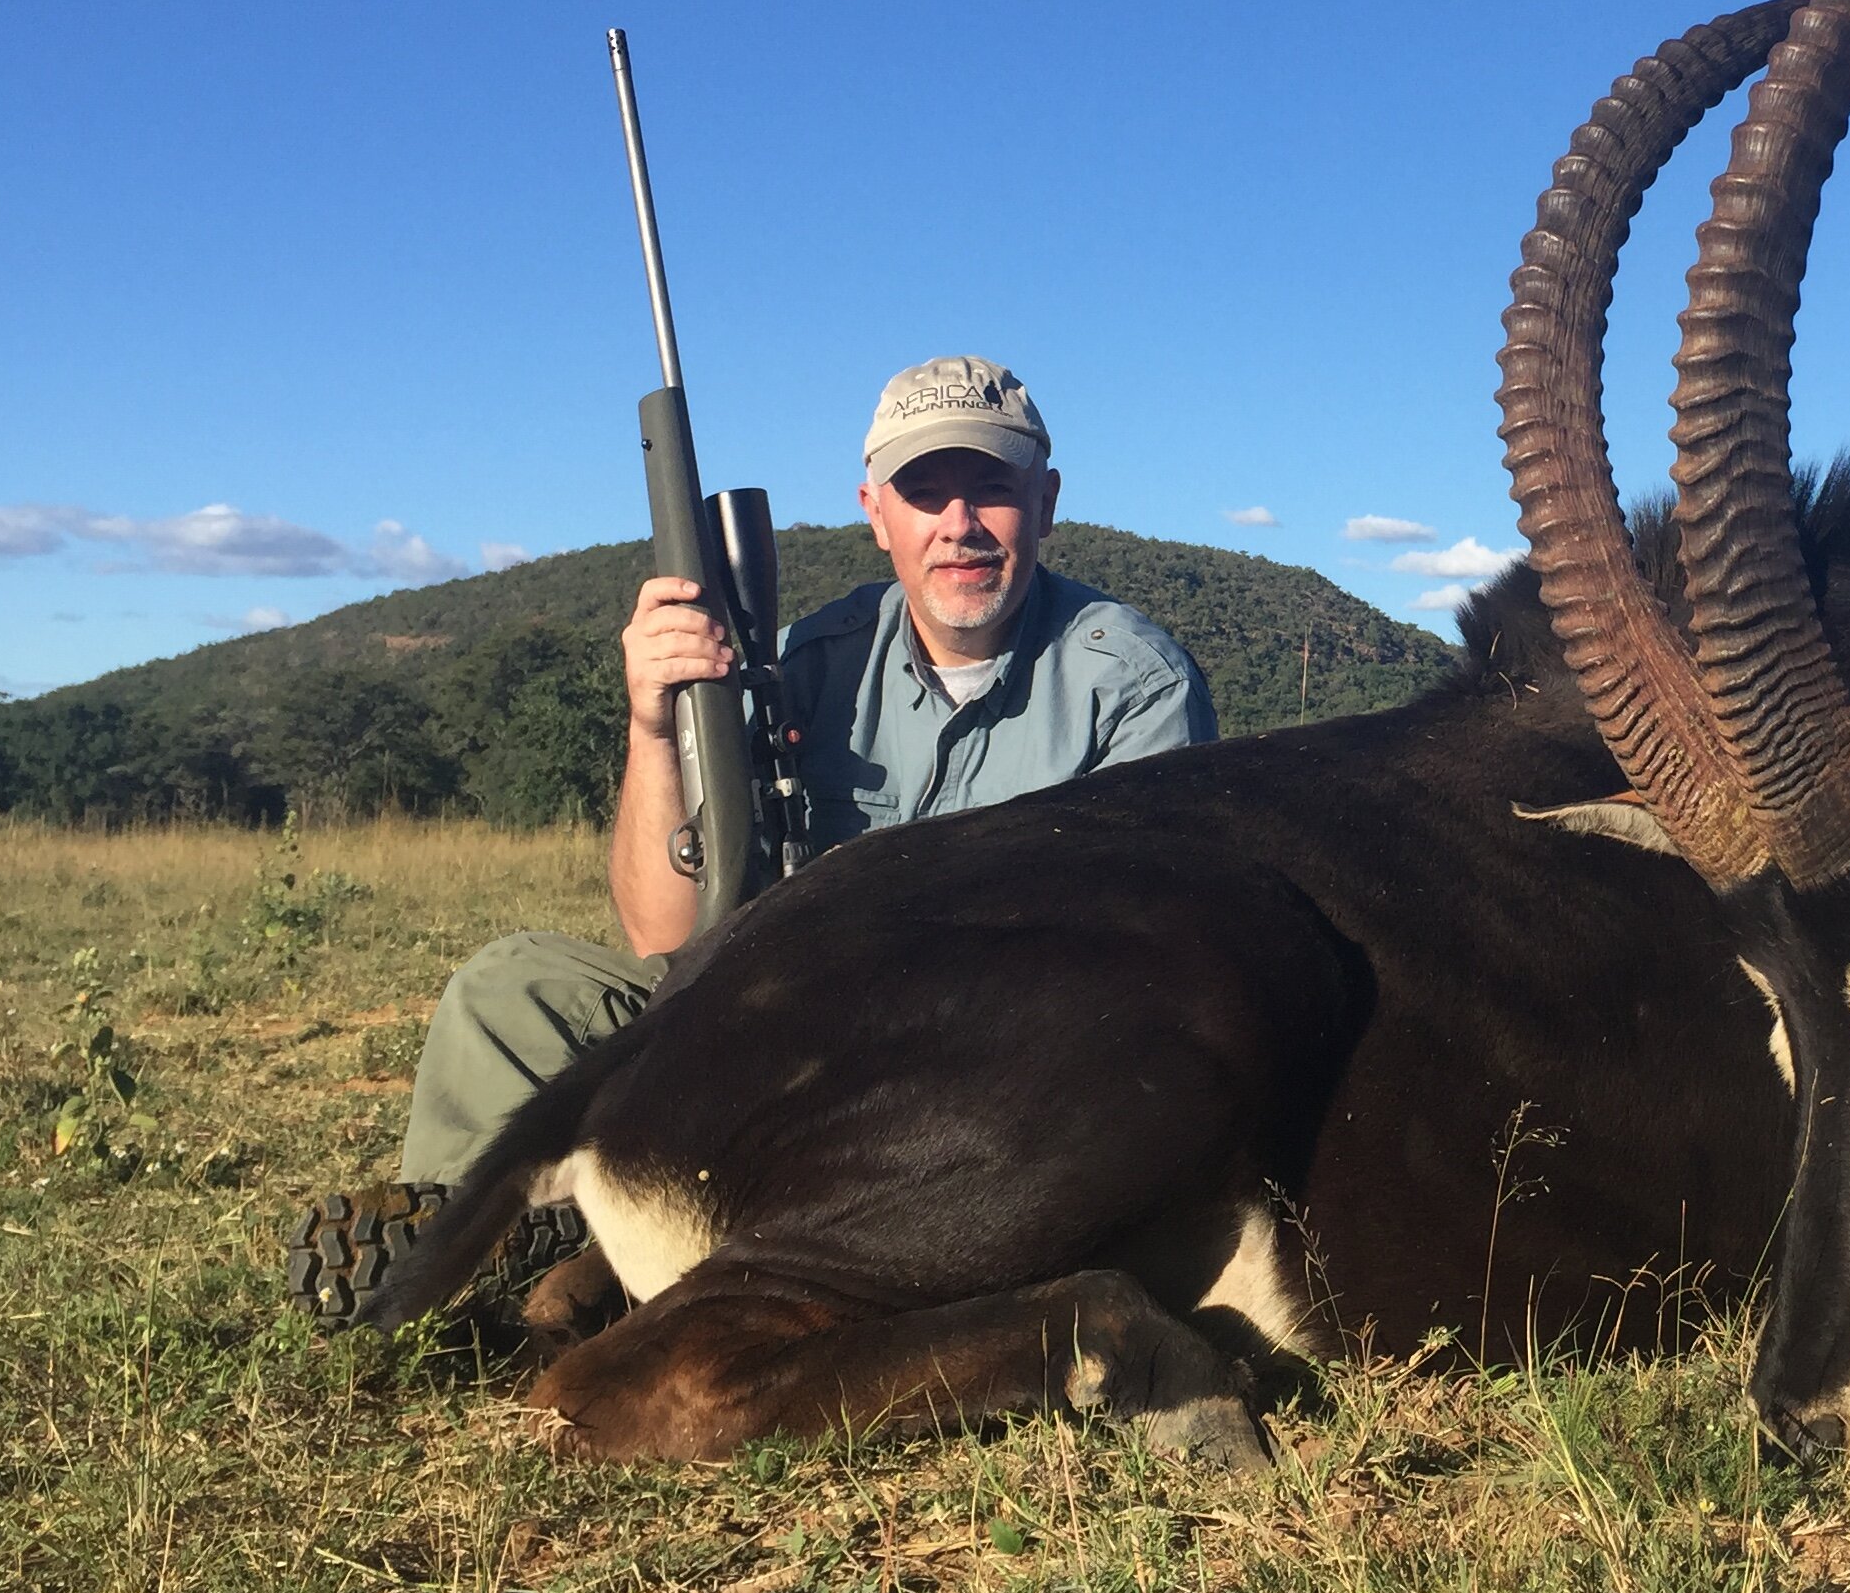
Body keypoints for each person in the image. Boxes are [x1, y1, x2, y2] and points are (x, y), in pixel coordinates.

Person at [284, 355, 1215, 1321]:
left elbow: (1129, 993)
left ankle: (634, 1256)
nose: (959, 525)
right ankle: (485, 1253)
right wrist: (655, 724)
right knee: (508, 990)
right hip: (767, 1036)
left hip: (965, 1085)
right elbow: (664, 931)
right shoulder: (809, 663)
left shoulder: (1135, 686)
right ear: (874, 511)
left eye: (992, 488)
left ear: (1047, 501)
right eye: (924, 491)